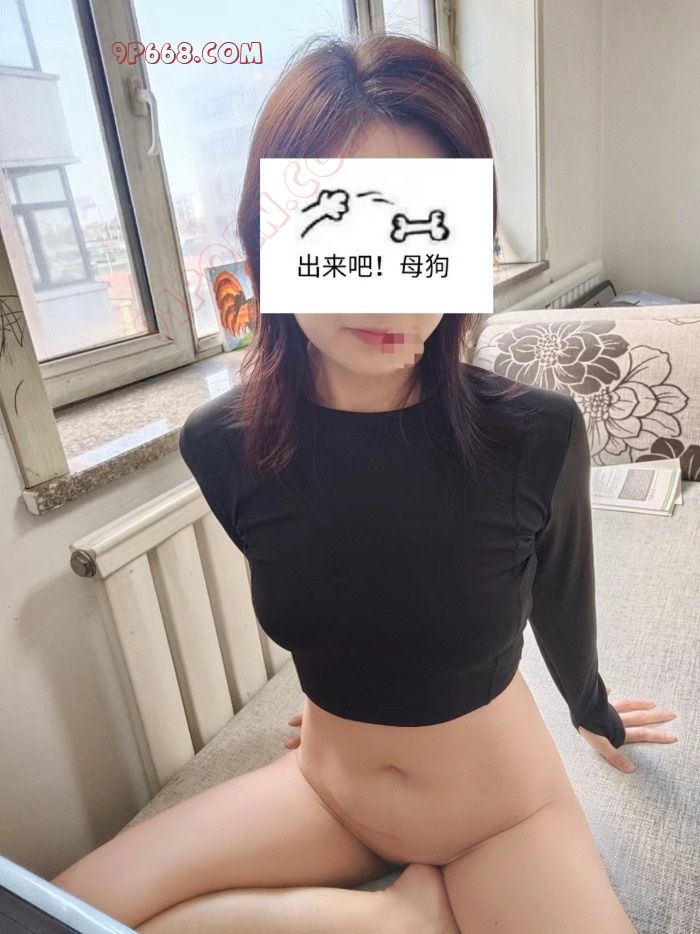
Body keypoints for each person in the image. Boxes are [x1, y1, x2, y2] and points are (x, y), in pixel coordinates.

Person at [51, 32, 677, 933]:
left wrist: (592, 708)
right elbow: (343, 586)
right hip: (326, 792)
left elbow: (560, 597)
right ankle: (397, 920)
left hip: (497, 814)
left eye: (424, 234)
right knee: (62, 913)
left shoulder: (534, 435)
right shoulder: (221, 445)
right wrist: (343, 698)